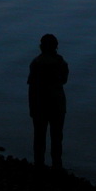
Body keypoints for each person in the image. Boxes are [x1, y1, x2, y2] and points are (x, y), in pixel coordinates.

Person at [28, 33, 69, 170]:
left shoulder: (35, 63)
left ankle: (39, 165)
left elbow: (32, 88)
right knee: (57, 137)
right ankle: (57, 165)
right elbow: (64, 80)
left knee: (39, 137)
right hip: (57, 105)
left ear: (41, 47)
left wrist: (32, 108)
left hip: (39, 105)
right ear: (56, 47)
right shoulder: (61, 63)